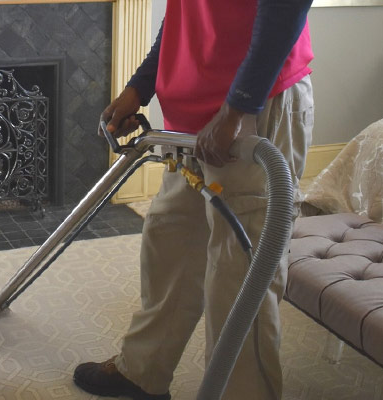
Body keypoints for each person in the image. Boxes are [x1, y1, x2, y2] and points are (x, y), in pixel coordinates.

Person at [73, 0, 315, 399]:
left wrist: (238, 108)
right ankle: (143, 373)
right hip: (193, 110)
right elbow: (185, 14)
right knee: (170, 243)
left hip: (255, 103)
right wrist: (139, 86)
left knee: (241, 273)